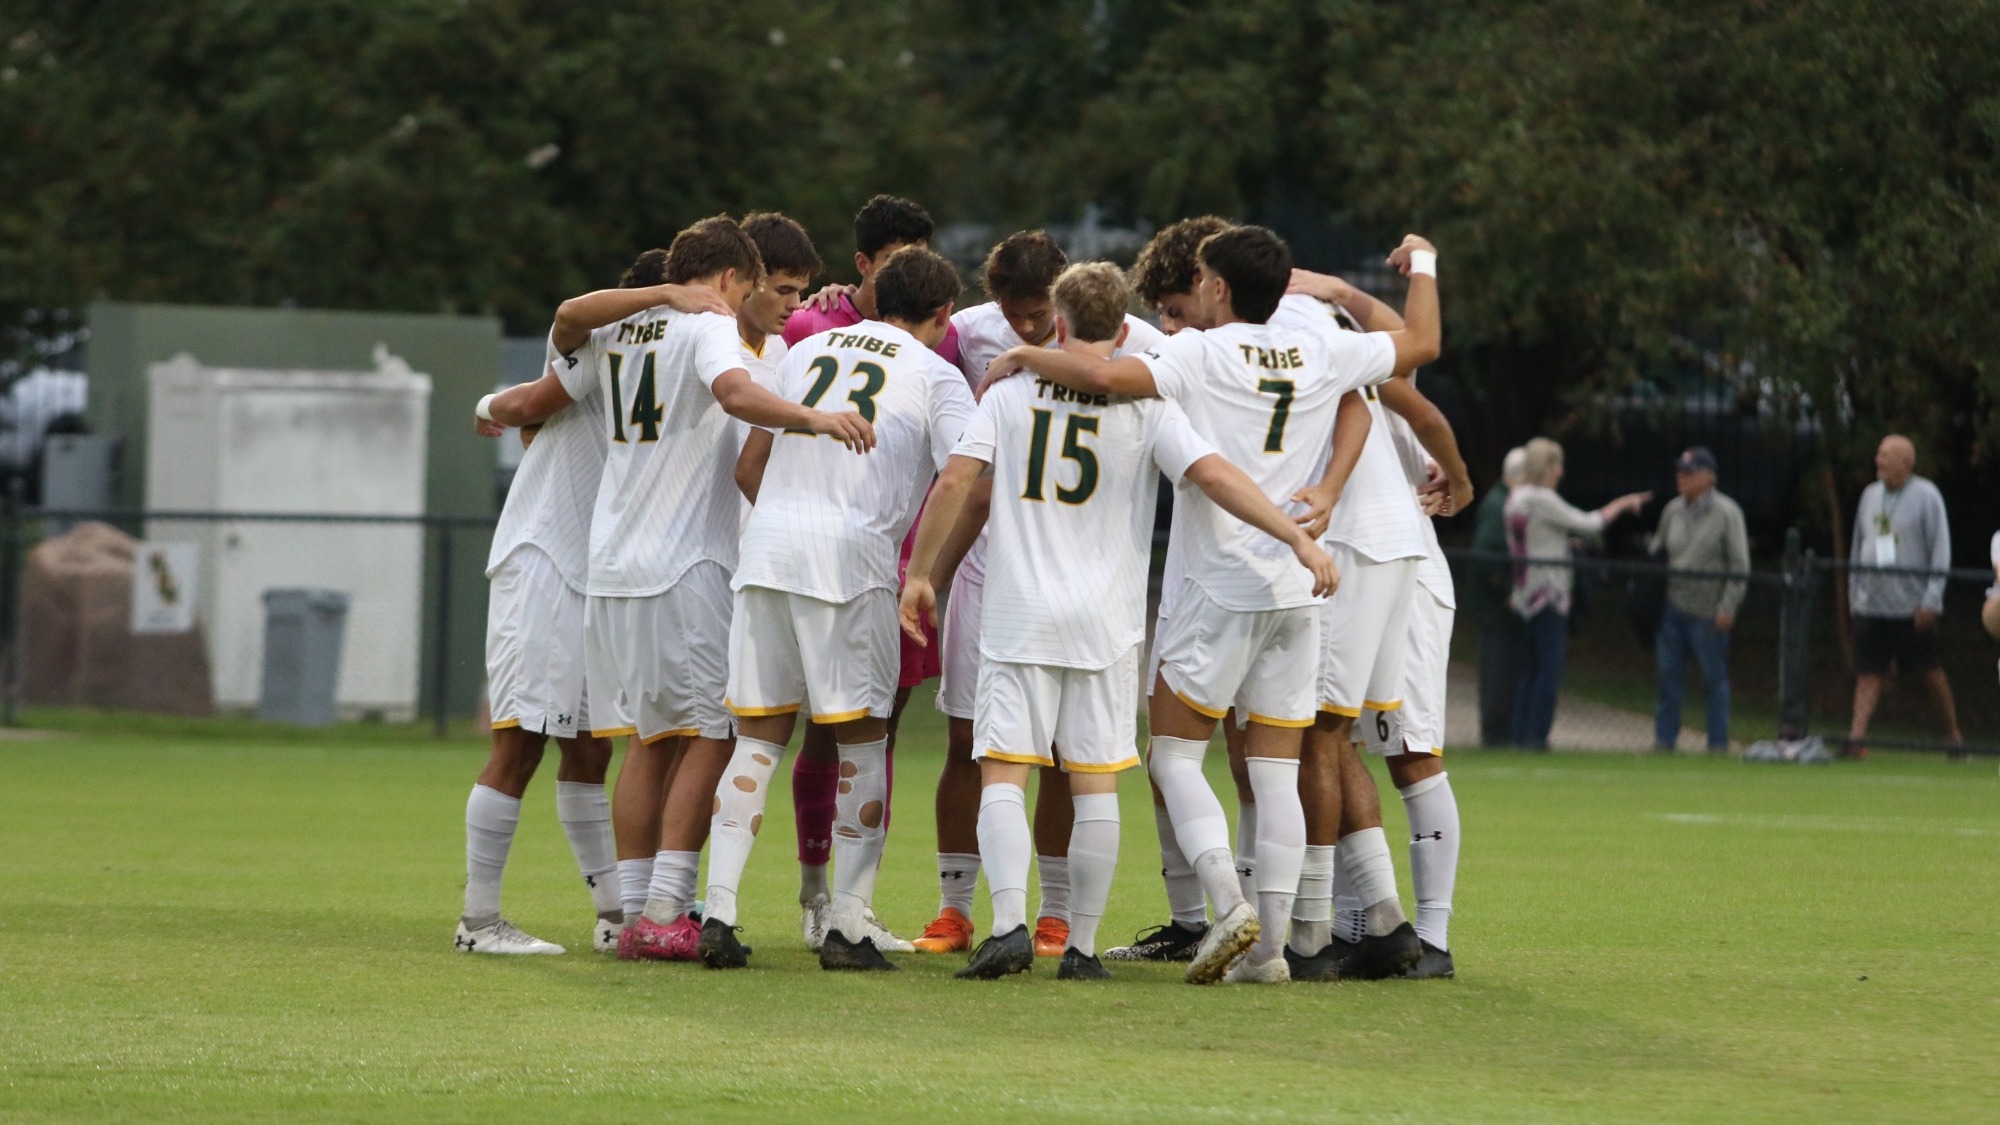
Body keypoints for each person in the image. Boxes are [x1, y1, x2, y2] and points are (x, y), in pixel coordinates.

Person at [983, 224, 1439, 984]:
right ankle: (1270, 955)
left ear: (1219, 288)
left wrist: (1029, 354)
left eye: (1198, 277)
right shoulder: (1319, 350)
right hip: (1298, 586)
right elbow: (1418, 342)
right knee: (1274, 768)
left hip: (1219, 583)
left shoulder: (1195, 351)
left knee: (1174, 754)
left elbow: (1101, 380)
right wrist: (1421, 262)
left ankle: (1229, 901)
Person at [902, 261, 1334, 981]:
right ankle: (1080, 947)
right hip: (1106, 621)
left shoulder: (1010, 391)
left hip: (1019, 611)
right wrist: (1294, 535)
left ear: (1059, 321)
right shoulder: (1149, 402)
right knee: (1095, 780)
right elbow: (1217, 476)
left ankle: (1009, 924)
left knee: (1005, 772)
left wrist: (920, 574)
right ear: (1123, 324)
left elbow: (955, 480)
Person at [477, 216, 873, 961]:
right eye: (755, 285)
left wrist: (490, 407)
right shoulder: (707, 326)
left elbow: (555, 356)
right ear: (728, 280)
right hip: (686, 562)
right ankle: (665, 907)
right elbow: (734, 393)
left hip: (612, 566)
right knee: (714, 733)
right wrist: (812, 418)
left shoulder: (619, 333)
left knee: (649, 742)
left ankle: (632, 913)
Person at [704, 247, 973, 972]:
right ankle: (848, 923)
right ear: (943, 314)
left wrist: (791, 526)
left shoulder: (805, 347)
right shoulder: (939, 374)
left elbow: (748, 467)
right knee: (862, 740)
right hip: (852, 563)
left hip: (767, 552)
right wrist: (922, 572)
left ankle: (719, 910)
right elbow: (961, 480)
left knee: (758, 735)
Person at [453, 259, 733, 957]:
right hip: (545, 554)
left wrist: (498, 407)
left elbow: (522, 407)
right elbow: (534, 388)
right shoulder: (600, 343)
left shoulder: (651, 361)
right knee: (518, 741)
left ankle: (615, 910)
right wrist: (491, 406)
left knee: (587, 749)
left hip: (600, 570)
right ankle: (478, 920)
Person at [911, 231, 1168, 960]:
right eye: (1010, 316)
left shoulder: (1101, 360)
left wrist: (1030, 360)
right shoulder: (967, 334)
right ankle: (963, 909)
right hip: (1012, 578)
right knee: (978, 742)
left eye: (1035, 318)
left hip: (1032, 591)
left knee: (1046, 758)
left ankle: (1039, 917)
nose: (1019, 329)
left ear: (1058, 308)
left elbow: (966, 477)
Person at [778, 195, 959, 952]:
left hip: (901, 562)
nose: (905, 273)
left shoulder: (944, 342)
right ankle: (815, 890)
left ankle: (857, 901)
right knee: (803, 730)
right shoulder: (807, 327)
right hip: (820, 556)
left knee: (874, 730)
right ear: (862, 267)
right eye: (893, 260)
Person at [1282, 265, 1470, 982]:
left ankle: (1433, 933)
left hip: (1403, 565)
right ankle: (1367, 922)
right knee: (1345, 738)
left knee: (1408, 746)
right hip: (1364, 561)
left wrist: (1461, 481)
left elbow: (1425, 405)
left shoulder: (1342, 352)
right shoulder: (1333, 345)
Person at [1504, 437, 1650, 749]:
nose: (1560, 472)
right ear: (1546, 467)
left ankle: (1520, 735)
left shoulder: (1516, 499)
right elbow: (1589, 523)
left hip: (1524, 595)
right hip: (1549, 594)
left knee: (1529, 670)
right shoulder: (1543, 499)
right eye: (1557, 466)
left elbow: (1534, 538)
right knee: (1548, 671)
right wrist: (1623, 504)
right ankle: (1537, 738)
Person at [1847, 434, 1960, 755]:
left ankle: (1953, 735)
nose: (1878, 460)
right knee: (1868, 672)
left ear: (1906, 464)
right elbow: (1859, 546)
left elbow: (1940, 550)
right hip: (1873, 603)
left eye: (1886, 456)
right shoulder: (1870, 495)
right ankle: (1857, 738)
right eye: (1879, 454)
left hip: (1912, 606)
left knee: (1930, 672)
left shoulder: (1927, 496)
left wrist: (1931, 599)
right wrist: (1855, 594)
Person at [1649, 447, 1749, 753]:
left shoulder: (1727, 513)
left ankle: (1717, 742)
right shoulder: (1672, 510)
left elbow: (1739, 565)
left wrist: (1727, 606)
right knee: (1668, 676)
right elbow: (1658, 551)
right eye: (1680, 472)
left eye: (1689, 472)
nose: (1682, 478)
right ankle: (1665, 739)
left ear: (1708, 477)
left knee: (1713, 678)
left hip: (1708, 611)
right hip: (1673, 606)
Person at [1468, 448, 1526, 746]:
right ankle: (1495, 734)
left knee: (1503, 670)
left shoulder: (1504, 501)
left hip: (1498, 606)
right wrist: (1505, 590)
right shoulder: (1498, 505)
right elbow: (1486, 554)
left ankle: (1501, 731)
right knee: (1498, 671)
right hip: (1495, 609)